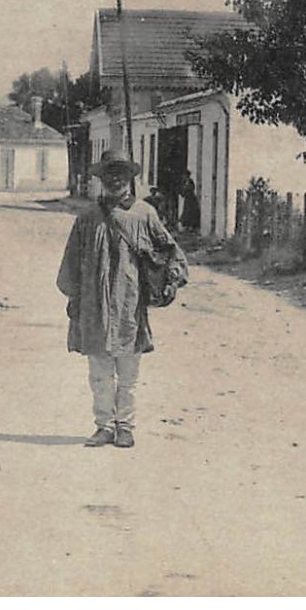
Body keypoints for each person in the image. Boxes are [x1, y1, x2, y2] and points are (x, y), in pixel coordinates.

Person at [56, 149, 186, 449]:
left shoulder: (144, 214)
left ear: (130, 178)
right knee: (99, 374)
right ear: (101, 179)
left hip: (130, 304)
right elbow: (71, 263)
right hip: (94, 306)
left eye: (121, 173)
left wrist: (172, 277)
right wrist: (75, 297)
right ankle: (104, 427)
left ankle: (125, 426)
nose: (115, 179)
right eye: (109, 174)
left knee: (128, 374)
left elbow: (169, 249)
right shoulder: (87, 218)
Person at [178, 169, 201, 235]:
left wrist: (185, 190)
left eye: (185, 175)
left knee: (190, 212)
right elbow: (182, 192)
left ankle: (191, 227)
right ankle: (187, 227)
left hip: (191, 199)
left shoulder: (190, 182)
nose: (184, 176)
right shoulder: (184, 182)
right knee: (186, 212)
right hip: (187, 199)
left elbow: (190, 189)